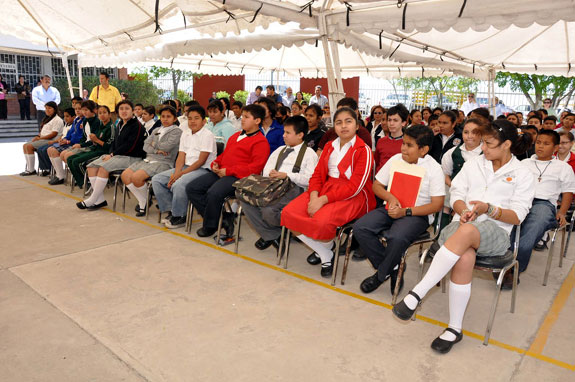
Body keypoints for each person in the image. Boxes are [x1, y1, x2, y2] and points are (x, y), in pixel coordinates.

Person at [392, 120, 534, 354]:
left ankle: (418, 292)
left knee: (466, 233)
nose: (483, 148)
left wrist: (488, 209)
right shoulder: (474, 164)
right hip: (461, 224)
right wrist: (463, 211)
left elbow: (517, 216)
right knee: (464, 256)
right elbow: (456, 194)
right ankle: (454, 329)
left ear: (507, 144)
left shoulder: (522, 173)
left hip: (496, 233)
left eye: (488, 144)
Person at [281, 107, 375, 277]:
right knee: (289, 213)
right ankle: (326, 252)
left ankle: (324, 250)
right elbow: (317, 175)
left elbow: (355, 187)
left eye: (348, 121)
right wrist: (314, 196)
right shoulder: (330, 146)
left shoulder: (364, 150)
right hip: (324, 188)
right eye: (339, 122)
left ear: (357, 126)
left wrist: (322, 200)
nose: (343, 126)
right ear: (334, 127)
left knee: (321, 222)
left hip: (352, 196)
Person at [353, 125, 445, 293]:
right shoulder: (396, 159)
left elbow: (437, 204)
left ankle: (380, 275)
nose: (403, 148)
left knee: (396, 237)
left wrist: (406, 212)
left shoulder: (434, 168)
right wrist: (390, 197)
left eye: (409, 145)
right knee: (360, 227)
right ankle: (393, 268)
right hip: (391, 207)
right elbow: (377, 185)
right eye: (403, 143)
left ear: (423, 149)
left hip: (416, 214)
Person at [186, 104, 270, 237]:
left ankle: (211, 225)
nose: (242, 119)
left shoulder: (260, 142)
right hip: (223, 173)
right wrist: (216, 163)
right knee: (192, 187)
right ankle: (223, 217)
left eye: (246, 117)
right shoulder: (236, 136)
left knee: (213, 193)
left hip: (241, 178)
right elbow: (224, 155)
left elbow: (254, 169)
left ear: (257, 121)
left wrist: (229, 171)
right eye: (242, 116)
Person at [241, 116, 319, 250]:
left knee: (268, 210)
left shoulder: (309, 154)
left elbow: (310, 179)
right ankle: (273, 235)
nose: (284, 136)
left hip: (295, 189)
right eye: (284, 132)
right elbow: (266, 170)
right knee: (246, 201)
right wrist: (272, 176)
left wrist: (287, 175)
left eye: (288, 133)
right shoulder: (279, 150)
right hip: (272, 186)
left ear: (300, 135)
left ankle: (274, 233)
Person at [514, 130, 575, 284]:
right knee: (507, 228)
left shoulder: (563, 167)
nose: (540, 146)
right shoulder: (524, 163)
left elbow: (568, 192)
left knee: (531, 230)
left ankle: (514, 269)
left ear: (555, 147)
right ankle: (504, 262)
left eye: (546, 144)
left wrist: (562, 212)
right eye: (539, 142)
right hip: (520, 201)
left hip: (544, 204)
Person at [152, 105, 217, 229]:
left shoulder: (207, 135)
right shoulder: (186, 133)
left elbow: (201, 161)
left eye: (196, 118)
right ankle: (172, 211)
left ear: (204, 121)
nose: (192, 121)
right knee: (157, 179)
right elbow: (181, 156)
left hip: (203, 170)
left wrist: (180, 175)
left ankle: (180, 216)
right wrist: (176, 172)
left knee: (179, 184)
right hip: (186, 167)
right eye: (190, 118)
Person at [76, 100, 146, 210]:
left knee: (103, 168)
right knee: (91, 167)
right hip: (117, 156)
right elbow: (114, 143)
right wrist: (110, 154)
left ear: (132, 111)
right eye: (121, 109)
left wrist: (113, 154)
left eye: (127, 108)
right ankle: (100, 200)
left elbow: (130, 146)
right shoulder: (120, 124)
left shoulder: (137, 126)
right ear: (117, 112)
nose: (124, 111)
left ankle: (93, 199)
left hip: (132, 157)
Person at [121, 106, 183, 216]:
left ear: (174, 119)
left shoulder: (177, 131)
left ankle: (143, 203)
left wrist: (154, 145)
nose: (165, 119)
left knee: (136, 177)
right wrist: (156, 149)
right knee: (125, 175)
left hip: (164, 163)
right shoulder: (156, 130)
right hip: (148, 160)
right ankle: (144, 200)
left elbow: (167, 147)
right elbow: (145, 146)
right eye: (163, 116)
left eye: (168, 116)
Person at [66, 104, 113, 189]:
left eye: (104, 112)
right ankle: (83, 183)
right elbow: (92, 140)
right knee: (70, 159)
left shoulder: (111, 127)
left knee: (77, 162)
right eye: (100, 113)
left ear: (109, 114)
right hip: (94, 149)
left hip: (103, 152)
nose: (102, 115)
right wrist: (88, 142)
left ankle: (89, 183)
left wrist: (96, 140)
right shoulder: (101, 126)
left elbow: (110, 146)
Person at [20, 101, 64, 176]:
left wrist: (40, 139)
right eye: (46, 108)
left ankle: (31, 170)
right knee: (25, 145)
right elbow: (43, 131)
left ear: (55, 109)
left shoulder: (57, 120)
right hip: (43, 139)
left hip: (51, 140)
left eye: (49, 108)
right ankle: (30, 169)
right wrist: (38, 136)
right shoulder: (47, 119)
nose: (47, 110)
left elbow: (53, 134)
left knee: (29, 146)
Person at [46, 108, 85, 185]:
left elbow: (80, 137)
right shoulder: (76, 120)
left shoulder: (84, 121)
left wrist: (68, 141)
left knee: (55, 151)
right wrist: (64, 139)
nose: (77, 110)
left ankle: (62, 176)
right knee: (49, 149)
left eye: (80, 108)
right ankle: (59, 174)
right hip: (69, 142)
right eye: (76, 109)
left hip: (75, 144)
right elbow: (69, 133)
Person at [375, 104, 407, 172]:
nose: (391, 123)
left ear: (403, 123)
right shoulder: (381, 141)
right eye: (389, 120)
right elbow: (376, 163)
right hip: (380, 180)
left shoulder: (407, 144)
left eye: (395, 120)